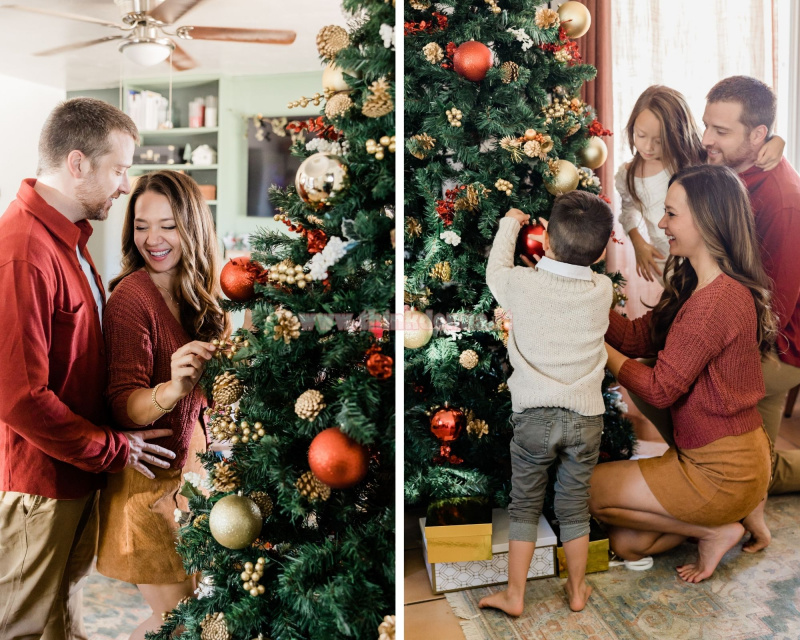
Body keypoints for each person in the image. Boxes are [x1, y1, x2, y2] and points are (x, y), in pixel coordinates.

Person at [0, 98, 177, 639]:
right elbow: (18, 397)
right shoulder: (23, 251)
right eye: (119, 169)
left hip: (74, 475)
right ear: (77, 164)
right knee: (25, 626)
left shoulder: (69, 243)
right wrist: (112, 448)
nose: (125, 185)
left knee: (62, 617)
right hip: (41, 484)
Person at [631, 76, 800, 553]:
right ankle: (711, 483)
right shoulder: (726, 165)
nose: (706, 140)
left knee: (726, 445)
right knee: (743, 455)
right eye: (707, 126)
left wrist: (706, 342)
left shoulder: (783, 202)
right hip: (744, 329)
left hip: (779, 348)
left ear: (757, 136)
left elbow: (776, 311)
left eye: (720, 131)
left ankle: (707, 484)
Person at [590, 164, 775, 584]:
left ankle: (715, 528)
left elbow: (659, 390)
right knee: (627, 542)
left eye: (671, 213)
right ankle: (728, 520)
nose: (660, 223)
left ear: (707, 220)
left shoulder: (715, 302)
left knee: (589, 489)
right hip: (732, 458)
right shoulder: (703, 283)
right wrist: (582, 292)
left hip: (721, 470)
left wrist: (598, 350)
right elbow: (638, 338)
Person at [96, 170, 228, 639]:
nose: (152, 239)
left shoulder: (198, 295)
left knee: (183, 617)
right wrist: (172, 388)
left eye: (168, 225)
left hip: (185, 483)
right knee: (174, 624)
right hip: (145, 487)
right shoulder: (131, 298)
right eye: (141, 225)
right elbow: (121, 406)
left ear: (192, 225)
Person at [479, 191, 614, 614]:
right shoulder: (603, 288)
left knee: (525, 506)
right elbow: (568, 285)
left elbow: (495, 273)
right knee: (574, 508)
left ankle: (515, 595)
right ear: (603, 250)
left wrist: (511, 223)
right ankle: (576, 592)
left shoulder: (521, 284)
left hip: (534, 415)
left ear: (547, 241)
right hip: (586, 417)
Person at [616, 85, 783, 284]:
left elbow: (743, 142)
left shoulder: (695, 161)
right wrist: (638, 243)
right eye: (641, 135)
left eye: (659, 141)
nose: (648, 147)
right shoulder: (627, 175)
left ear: (675, 134)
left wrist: (776, 140)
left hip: (699, 268)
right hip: (665, 265)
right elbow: (627, 211)